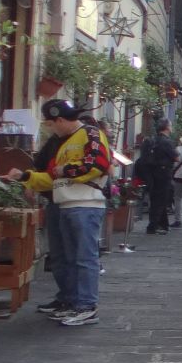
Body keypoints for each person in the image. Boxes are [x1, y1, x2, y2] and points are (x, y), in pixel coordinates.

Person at [10, 99, 112, 327]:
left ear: (60, 120)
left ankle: (86, 305)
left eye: (50, 124)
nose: (50, 129)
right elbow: (52, 177)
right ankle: (74, 302)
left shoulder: (90, 134)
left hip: (85, 204)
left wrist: (65, 169)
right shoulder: (64, 142)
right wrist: (25, 177)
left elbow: (98, 164)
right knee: (70, 257)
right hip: (68, 203)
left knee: (84, 258)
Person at [138, 117, 177, 235]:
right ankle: (153, 225)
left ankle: (163, 224)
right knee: (160, 199)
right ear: (167, 127)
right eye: (170, 125)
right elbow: (175, 157)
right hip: (163, 172)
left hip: (150, 172)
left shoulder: (150, 140)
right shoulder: (166, 142)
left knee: (156, 198)